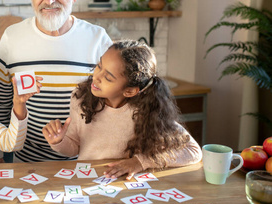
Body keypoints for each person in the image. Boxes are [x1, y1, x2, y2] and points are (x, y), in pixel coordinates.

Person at [0, 0, 113, 162]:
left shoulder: (98, 39)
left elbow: (117, 104)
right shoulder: (12, 37)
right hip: (28, 162)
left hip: (87, 160)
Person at [42, 40, 202, 179]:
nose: (96, 76)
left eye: (108, 77)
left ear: (130, 91)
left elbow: (193, 151)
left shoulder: (148, 111)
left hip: (127, 184)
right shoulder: (81, 97)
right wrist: (59, 141)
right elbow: (74, 148)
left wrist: (140, 162)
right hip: (87, 180)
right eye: (99, 66)